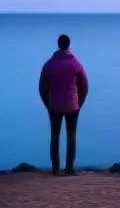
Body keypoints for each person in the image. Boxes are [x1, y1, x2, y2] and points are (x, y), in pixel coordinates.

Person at [38, 33, 89, 176]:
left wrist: (48, 104)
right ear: (68, 45)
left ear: (58, 45)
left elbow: (42, 88)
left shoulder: (49, 65)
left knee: (55, 136)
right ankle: (69, 169)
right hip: (73, 106)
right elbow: (84, 86)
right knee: (71, 135)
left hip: (54, 106)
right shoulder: (75, 64)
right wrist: (79, 103)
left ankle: (55, 169)